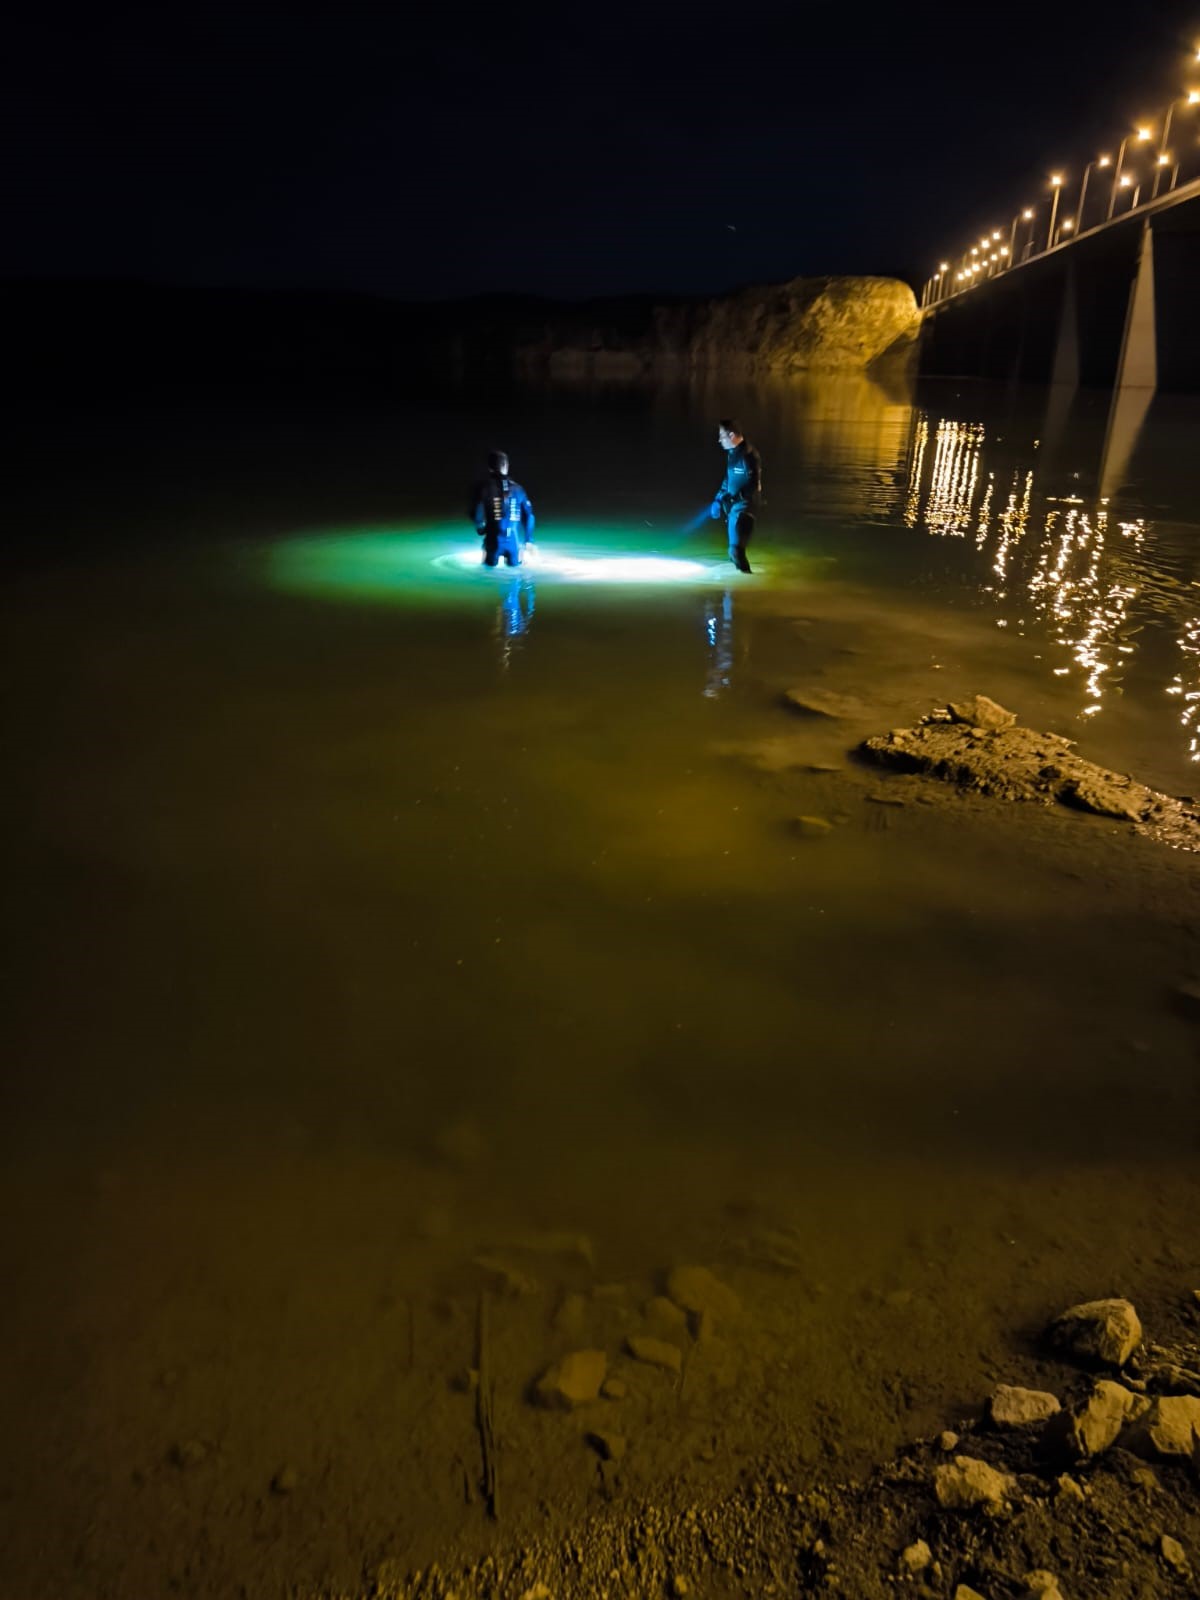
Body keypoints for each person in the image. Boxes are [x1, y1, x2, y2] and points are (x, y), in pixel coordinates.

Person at [709, 419, 761, 573]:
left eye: (722, 436)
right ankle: (738, 591)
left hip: (746, 508)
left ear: (731, 435)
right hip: (734, 508)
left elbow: (753, 484)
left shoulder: (749, 455)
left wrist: (733, 498)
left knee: (736, 552)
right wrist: (718, 499)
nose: (719, 440)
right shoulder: (732, 454)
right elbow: (728, 479)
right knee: (733, 553)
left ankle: (748, 587)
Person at [471, 450, 536, 567]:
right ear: (506, 466)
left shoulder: (483, 488)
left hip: (493, 539)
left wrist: (480, 528)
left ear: (490, 468)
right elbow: (529, 516)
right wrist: (528, 540)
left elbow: (477, 513)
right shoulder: (518, 489)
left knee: (488, 574)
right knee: (515, 576)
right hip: (513, 541)